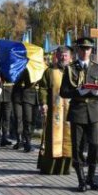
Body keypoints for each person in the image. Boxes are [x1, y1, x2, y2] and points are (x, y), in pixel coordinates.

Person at [60, 37, 98, 192]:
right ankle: (81, 180)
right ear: (78, 50)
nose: (85, 51)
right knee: (78, 147)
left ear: (91, 50)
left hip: (94, 111)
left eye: (88, 49)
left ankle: (91, 177)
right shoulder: (70, 68)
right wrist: (77, 91)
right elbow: (63, 92)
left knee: (95, 145)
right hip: (78, 110)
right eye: (82, 48)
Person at [37, 45, 73, 175]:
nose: (63, 57)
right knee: (52, 139)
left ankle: (65, 168)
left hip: (70, 111)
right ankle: (50, 168)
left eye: (66, 55)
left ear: (70, 57)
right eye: (61, 55)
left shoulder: (73, 71)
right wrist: (43, 103)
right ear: (56, 56)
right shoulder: (50, 71)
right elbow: (43, 88)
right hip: (54, 111)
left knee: (69, 139)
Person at [12, 68, 40, 152]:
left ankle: (28, 139)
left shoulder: (41, 67)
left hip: (35, 96)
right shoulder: (20, 67)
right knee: (25, 119)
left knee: (32, 121)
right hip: (23, 96)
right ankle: (24, 141)